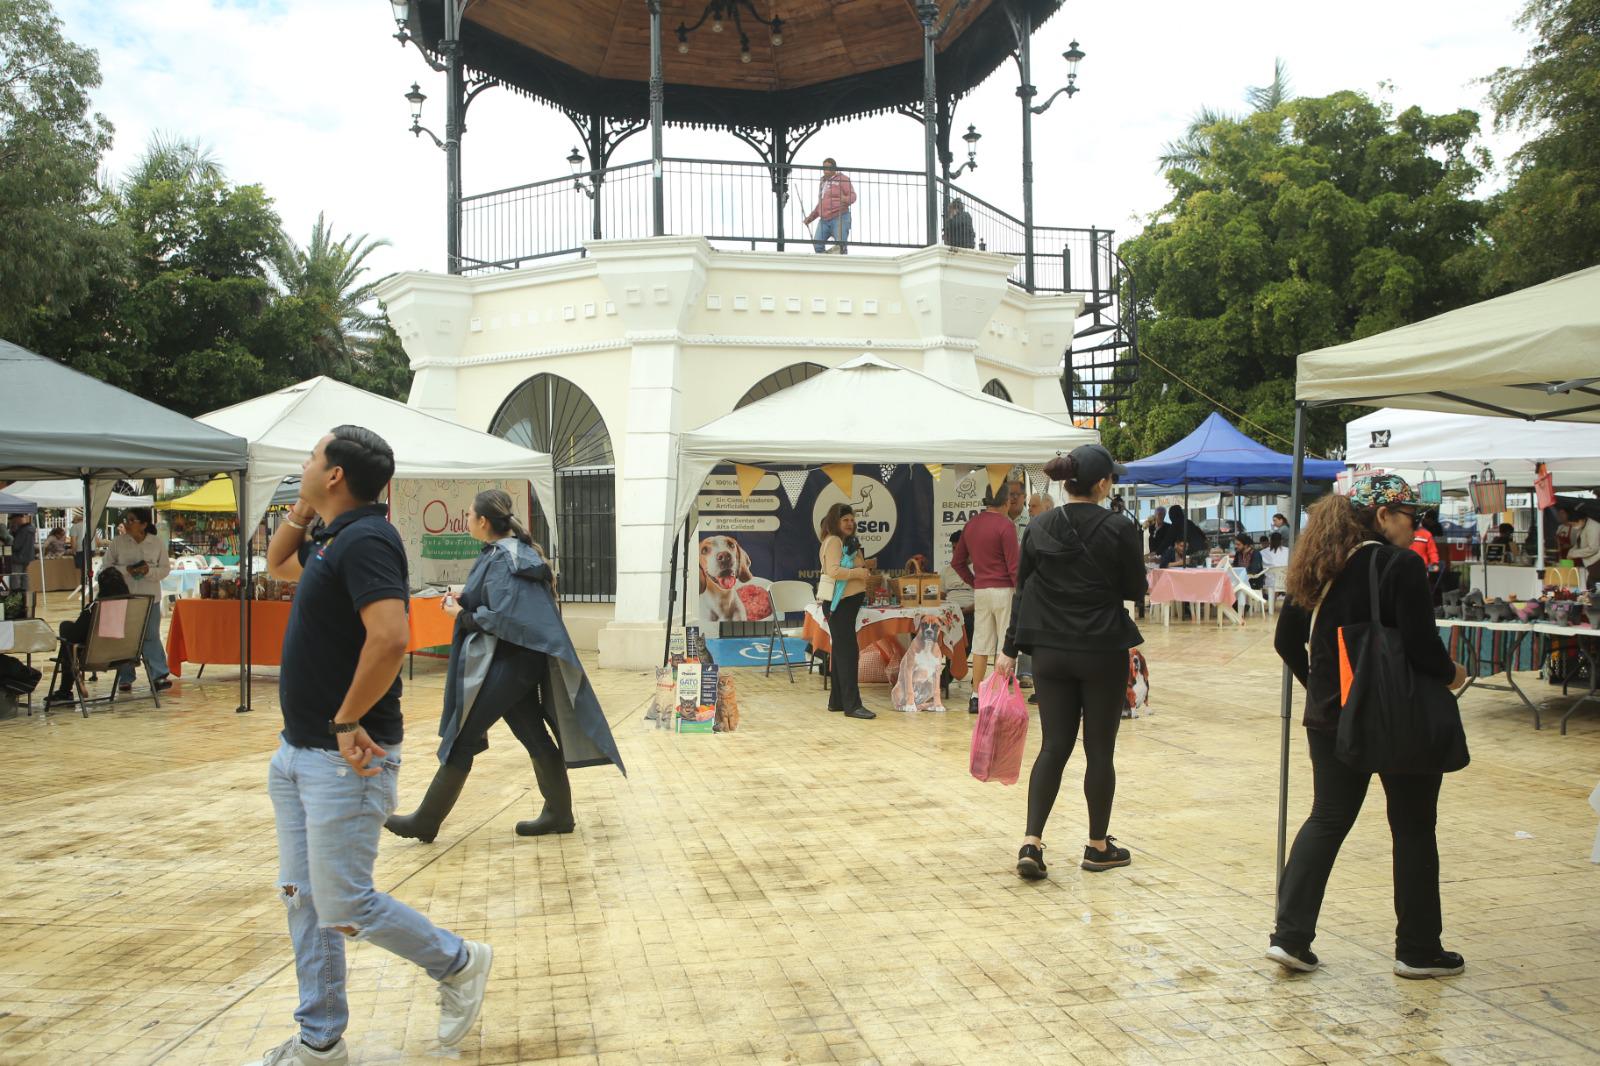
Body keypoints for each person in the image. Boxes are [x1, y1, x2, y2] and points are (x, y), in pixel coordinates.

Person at [256, 426, 491, 1066]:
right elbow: (279, 565)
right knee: (305, 901)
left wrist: (345, 720)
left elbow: (390, 638)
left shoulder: (366, 540)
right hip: (299, 754)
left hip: (344, 756)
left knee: (343, 902)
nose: (303, 463)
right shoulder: (334, 538)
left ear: (335, 474)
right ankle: (320, 1039)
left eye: (311, 457)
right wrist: (302, 512)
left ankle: (459, 962)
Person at [1268, 474, 1469, 980]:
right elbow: (1422, 649)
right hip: (1396, 717)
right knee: (1414, 826)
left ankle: (1290, 938)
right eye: (1411, 516)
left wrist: (1321, 685)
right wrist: (1454, 675)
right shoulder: (1400, 565)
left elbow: (1286, 641)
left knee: (1328, 818)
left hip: (1330, 717)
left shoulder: (1319, 567)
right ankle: (1418, 949)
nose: (1416, 527)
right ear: (1383, 517)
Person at [386, 489, 623, 843]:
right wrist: (464, 601)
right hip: (517, 661)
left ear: (483, 521)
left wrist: (462, 614)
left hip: (510, 661)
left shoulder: (504, 558)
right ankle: (559, 813)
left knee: (463, 736)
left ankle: (426, 820)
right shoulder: (513, 553)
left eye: (469, 515)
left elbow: (506, 617)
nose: (467, 521)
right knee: (532, 735)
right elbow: (505, 606)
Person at [997, 445, 1145, 881]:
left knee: (1054, 747)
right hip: (1102, 649)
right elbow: (1136, 588)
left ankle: (1032, 841)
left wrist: (1010, 648)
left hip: (1050, 652)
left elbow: (1022, 591)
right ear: (1102, 484)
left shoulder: (1039, 525)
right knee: (1099, 751)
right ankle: (1098, 847)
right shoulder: (1120, 527)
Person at [952, 480, 1022, 714]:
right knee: (1005, 644)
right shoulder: (1006, 525)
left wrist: (975, 582)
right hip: (1004, 591)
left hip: (981, 590)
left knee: (981, 645)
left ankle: (975, 696)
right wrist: (1022, 594)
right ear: (1006, 501)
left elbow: (957, 562)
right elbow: (1014, 567)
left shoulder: (971, 524)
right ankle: (1001, 694)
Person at [102, 508, 172, 693]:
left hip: (150, 598)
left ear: (143, 524)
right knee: (125, 638)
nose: (127, 523)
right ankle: (126, 677)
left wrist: (148, 572)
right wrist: (127, 571)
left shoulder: (156, 543)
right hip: (123, 598)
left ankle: (158, 675)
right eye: (126, 519)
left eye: (132, 520)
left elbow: (165, 569)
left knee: (151, 636)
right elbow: (105, 568)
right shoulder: (117, 543)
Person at [818, 503, 876, 719]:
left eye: (852, 520)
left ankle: (837, 701)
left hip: (847, 604)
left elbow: (857, 564)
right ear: (836, 522)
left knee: (843, 653)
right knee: (848, 654)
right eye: (845, 520)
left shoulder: (847, 543)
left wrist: (860, 567)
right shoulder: (833, 541)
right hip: (839, 604)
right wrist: (859, 573)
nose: (850, 523)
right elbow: (833, 571)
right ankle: (853, 705)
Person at [45, 568, 131, 706]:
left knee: (67, 633)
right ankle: (65, 689)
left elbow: (74, 635)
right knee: (71, 638)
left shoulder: (95, 608)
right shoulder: (133, 607)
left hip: (98, 657)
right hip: (125, 655)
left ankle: (65, 690)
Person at [939, 530, 975, 699]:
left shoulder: (979, 568)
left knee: (967, 626)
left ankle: (947, 676)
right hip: (949, 612)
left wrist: (968, 609)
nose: (956, 552)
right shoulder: (947, 571)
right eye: (953, 549)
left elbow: (983, 597)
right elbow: (941, 596)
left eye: (959, 549)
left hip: (970, 611)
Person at [804, 158, 856, 253]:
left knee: (840, 246)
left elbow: (853, 196)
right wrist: (811, 218)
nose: (826, 170)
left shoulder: (843, 179)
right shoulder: (823, 182)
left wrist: (844, 199)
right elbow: (821, 203)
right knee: (817, 245)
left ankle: (841, 265)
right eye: (824, 168)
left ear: (834, 168)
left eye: (829, 168)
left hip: (840, 217)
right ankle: (823, 264)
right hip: (824, 219)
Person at [1570, 509, 1600, 587]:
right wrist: (1571, 551)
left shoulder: (1593, 527)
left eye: (1574, 524)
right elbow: (1579, 543)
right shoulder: (1582, 526)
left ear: (1581, 520)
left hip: (1597, 561)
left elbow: (1593, 548)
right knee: (1591, 587)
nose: (1573, 527)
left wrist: (1574, 554)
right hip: (1591, 563)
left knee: (1592, 587)